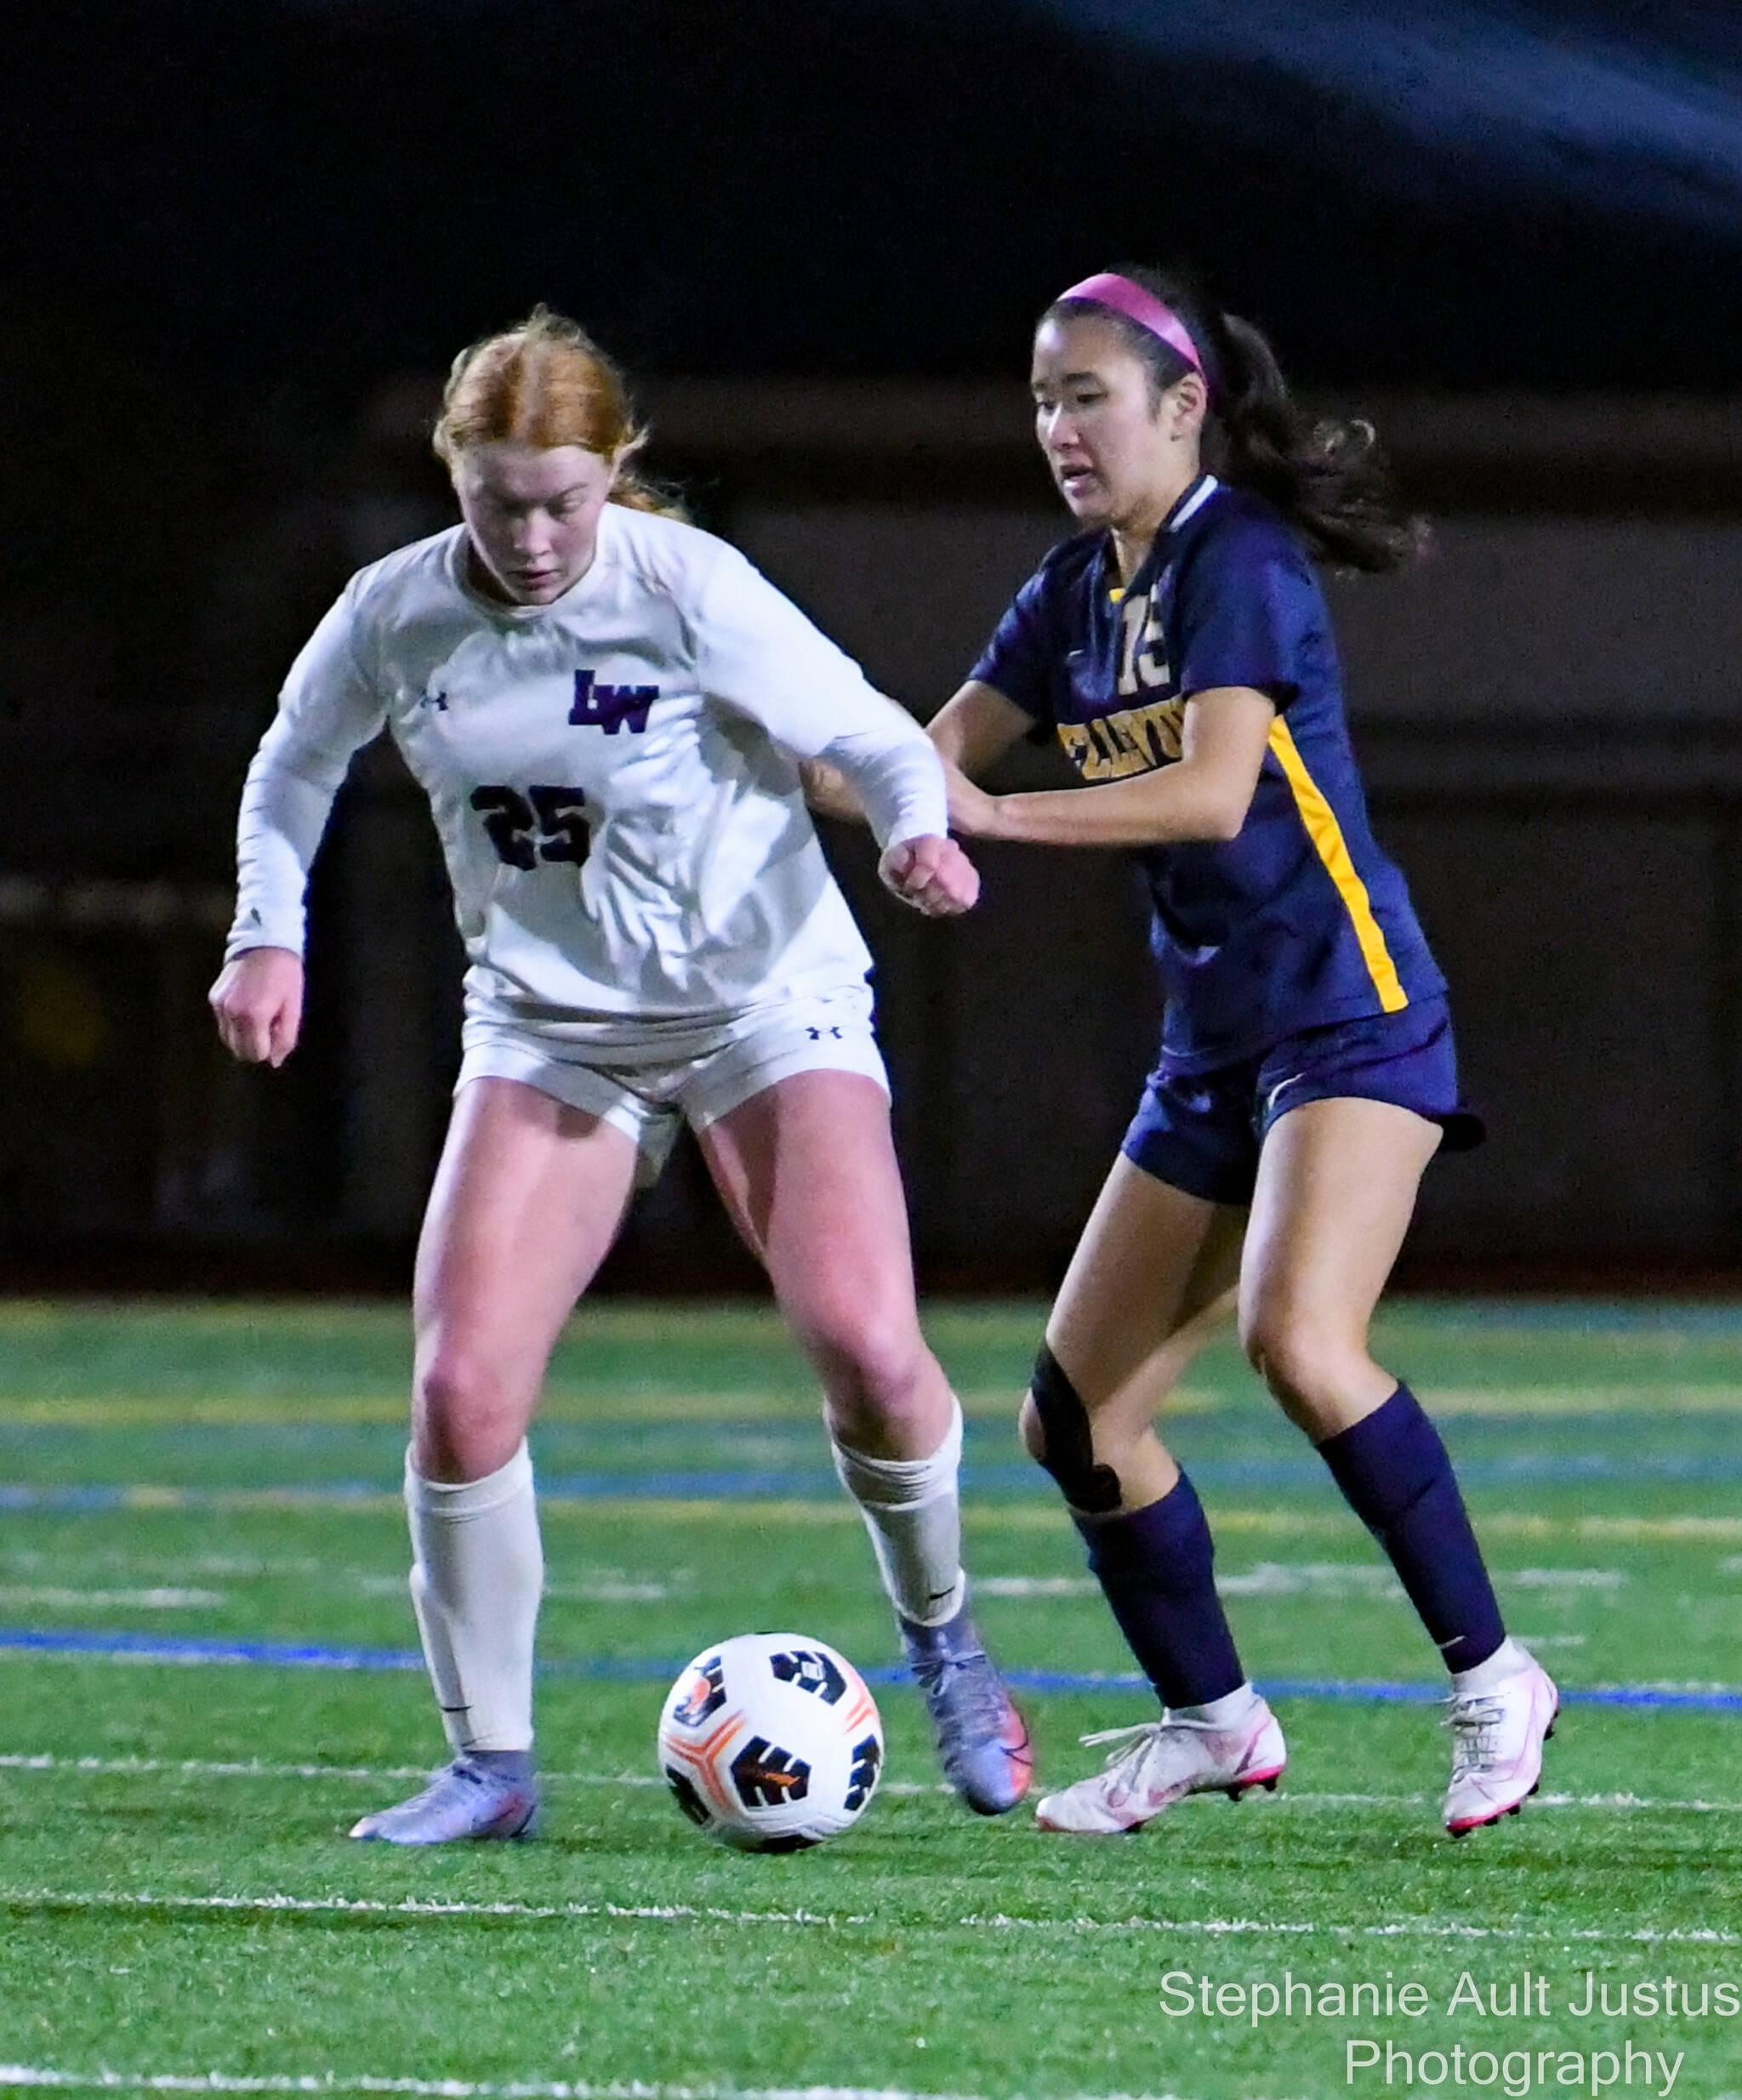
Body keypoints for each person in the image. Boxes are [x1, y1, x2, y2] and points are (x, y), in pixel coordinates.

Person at [208, 308, 1031, 1843]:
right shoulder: (395, 614)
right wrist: (270, 936)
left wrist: (914, 827)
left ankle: (949, 1646)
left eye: (564, 501)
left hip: (760, 1003)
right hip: (550, 1023)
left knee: (865, 1342)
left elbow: (871, 730)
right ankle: (491, 1765)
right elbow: (292, 760)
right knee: (459, 1394)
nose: (532, 535)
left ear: (615, 475)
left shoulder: (690, 590)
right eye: (499, 499)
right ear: (455, 473)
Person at [929, 267, 1555, 1838]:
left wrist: (995, 819)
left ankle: (1497, 1678)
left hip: (1350, 1012)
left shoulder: (1242, 561)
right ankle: (1211, 1720)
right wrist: (729, 734)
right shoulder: (1073, 591)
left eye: (1088, 395)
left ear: (1182, 405)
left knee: (1303, 1341)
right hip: (1213, 1047)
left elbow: (1211, 794)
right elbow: (919, 760)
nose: (1059, 428)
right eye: (1041, 400)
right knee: (1074, 1418)